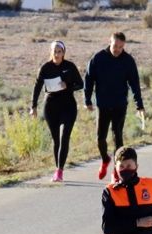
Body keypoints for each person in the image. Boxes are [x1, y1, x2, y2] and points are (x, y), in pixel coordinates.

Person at [84, 31, 144, 181]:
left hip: (119, 104)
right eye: (115, 45)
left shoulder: (128, 60)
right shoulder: (98, 58)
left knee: (118, 137)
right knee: (100, 138)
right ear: (110, 42)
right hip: (103, 105)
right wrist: (87, 100)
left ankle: (117, 171)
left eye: (120, 47)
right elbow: (89, 79)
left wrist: (139, 105)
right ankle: (105, 159)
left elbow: (134, 84)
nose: (117, 49)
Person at [29, 39, 85, 183]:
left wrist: (68, 85)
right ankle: (57, 169)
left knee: (64, 137)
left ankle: (60, 171)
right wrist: (33, 106)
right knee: (56, 140)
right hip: (51, 106)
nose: (57, 54)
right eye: (55, 51)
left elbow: (80, 84)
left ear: (63, 53)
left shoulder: (70, 66)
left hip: (68, 106)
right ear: (51, 52)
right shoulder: (45, 67)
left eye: (59, 51)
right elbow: (37, 86)